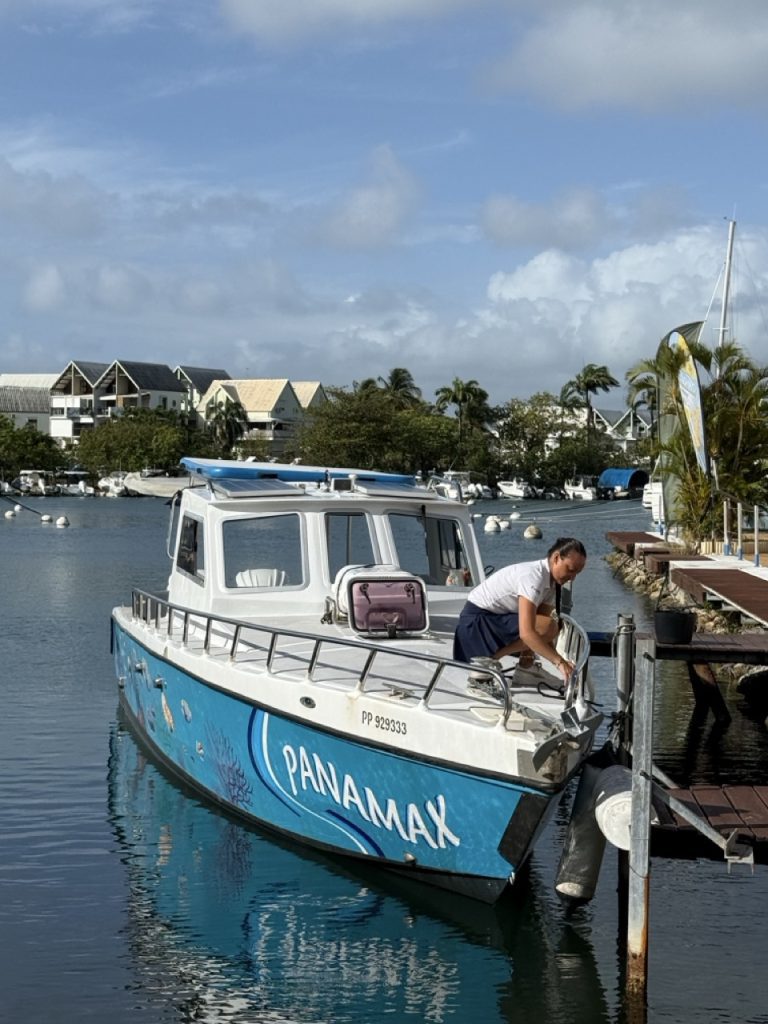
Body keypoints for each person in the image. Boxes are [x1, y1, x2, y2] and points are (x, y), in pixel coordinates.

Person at [453, 537, 587, 683]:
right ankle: (489, 661)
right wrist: (559, 662)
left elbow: (544, 630)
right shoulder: (533, 576)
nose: (572, 578)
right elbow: (528, 632)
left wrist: (560, 661)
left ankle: (526, 667)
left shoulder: (551, 583)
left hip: (493, 618)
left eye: (577, 574)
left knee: (551, 624)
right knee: (548, 625)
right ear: (556, 558)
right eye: (570, 569)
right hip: (475, 624)